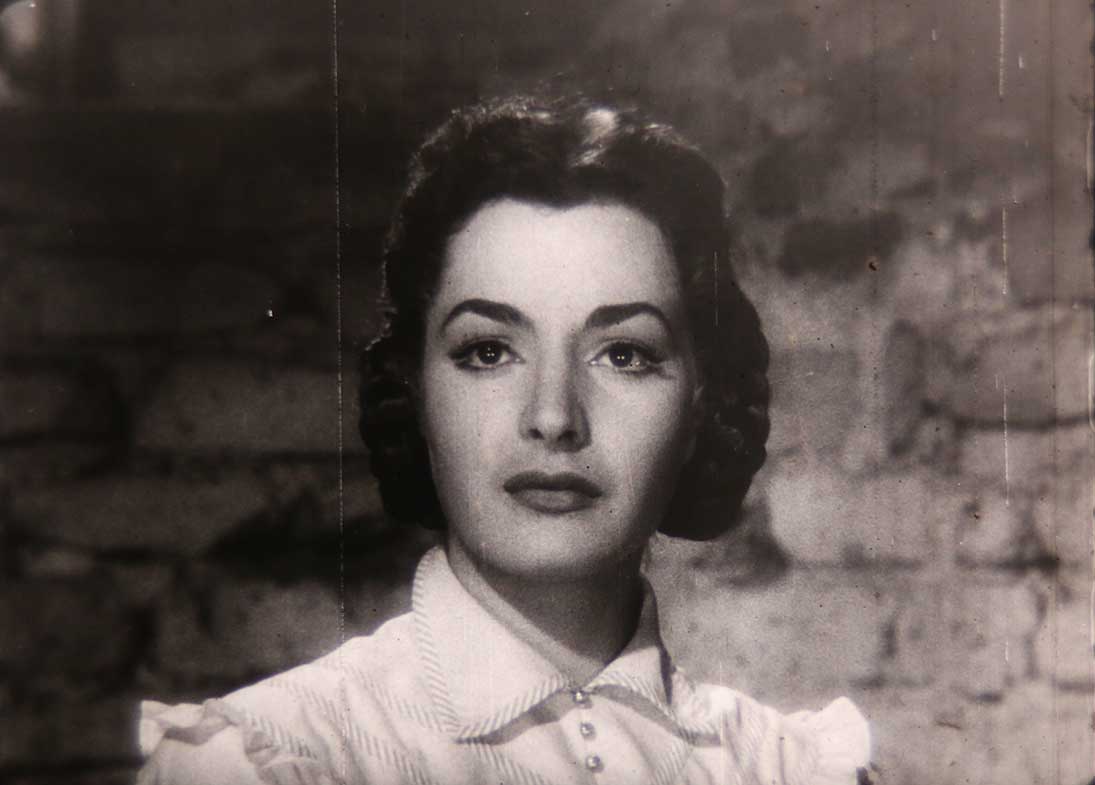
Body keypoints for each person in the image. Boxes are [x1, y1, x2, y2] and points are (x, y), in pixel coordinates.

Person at [136, 95, 875, 785]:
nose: (552, 416)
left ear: (698, 406)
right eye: (488, 351)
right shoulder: (275, 758)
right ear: (415, 392)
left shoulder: (789, 769)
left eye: (624, 354)